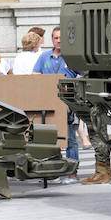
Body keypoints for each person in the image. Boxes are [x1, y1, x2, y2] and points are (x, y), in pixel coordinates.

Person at [33, 26, 81, 183]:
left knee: (70, 138)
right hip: (48, 104)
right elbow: (35, 75)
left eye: (61, 37)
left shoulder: (72, 56)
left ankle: (72, 172)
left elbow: (83, 75)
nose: (59, 40)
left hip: (68, 104)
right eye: (56, 38)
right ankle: (50, 171)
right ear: (52, 40)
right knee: (47, 139)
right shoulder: (44, 57)